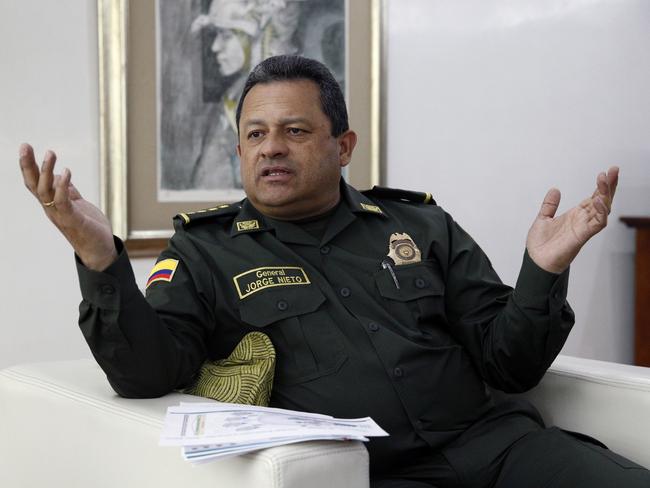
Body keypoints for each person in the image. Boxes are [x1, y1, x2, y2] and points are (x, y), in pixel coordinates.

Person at [19, 55, 649, 488]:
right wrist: (101, 259)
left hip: (499, 447)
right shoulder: (202, 252)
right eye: (256, 133)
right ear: (239, 149)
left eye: (294, 130)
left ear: (342, 146)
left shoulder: (421, 226)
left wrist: (541, 270)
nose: (271, 147)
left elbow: (510, 365)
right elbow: (145, 375)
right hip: (371, 475)